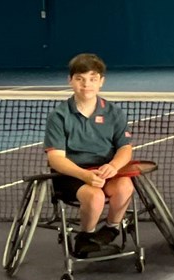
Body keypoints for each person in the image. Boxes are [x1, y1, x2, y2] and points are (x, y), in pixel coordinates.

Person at [44, 53, 135, 256]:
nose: (86, 85)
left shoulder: (114, 113)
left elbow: (125, 148)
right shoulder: (58, 116)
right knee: (95, 198)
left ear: (101, 82)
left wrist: (114, 166)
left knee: (125, 186)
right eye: (80, 79)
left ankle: (111, 228)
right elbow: (56, 158)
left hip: (105, 171)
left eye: (93, 79)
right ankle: (86, 235)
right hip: (70, 175)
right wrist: (85, 176)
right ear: (70, 81)